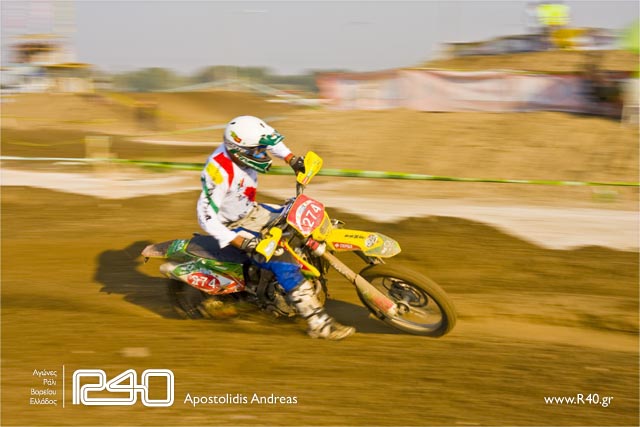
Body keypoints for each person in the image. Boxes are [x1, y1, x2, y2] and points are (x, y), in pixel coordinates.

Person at [196, 115, 355, 340]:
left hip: (252, 211)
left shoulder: (244, 145)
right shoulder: (219, 173)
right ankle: (318, 323)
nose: (264, 153)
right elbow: (205, 217)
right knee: (281, 258)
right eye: (258, 150)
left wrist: (291, 159)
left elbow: (272, 142)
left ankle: (305, 279)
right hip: (233, 226)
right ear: (239, 151)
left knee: (307, 221)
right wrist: (241, 241)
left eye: (263, 148)